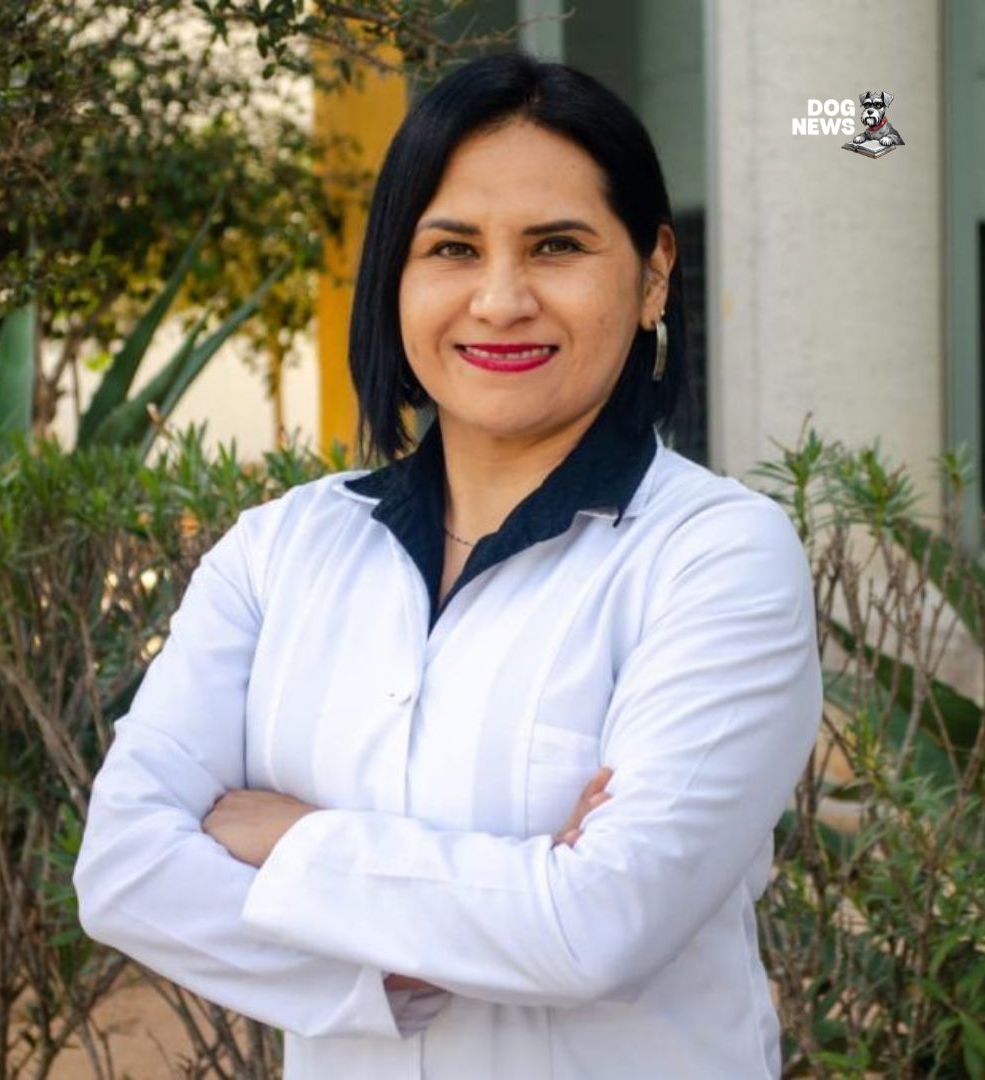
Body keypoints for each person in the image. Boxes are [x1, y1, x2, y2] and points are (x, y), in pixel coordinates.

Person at [74, 52, 823, 1079]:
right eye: (453, 248)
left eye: (557, 246)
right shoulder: (280, 550)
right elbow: (123, 869)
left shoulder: (717, 557)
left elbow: (598, 927)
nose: (501, 299)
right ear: (396, 275)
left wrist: (291, 841)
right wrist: (417, 957)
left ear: (653, 273)